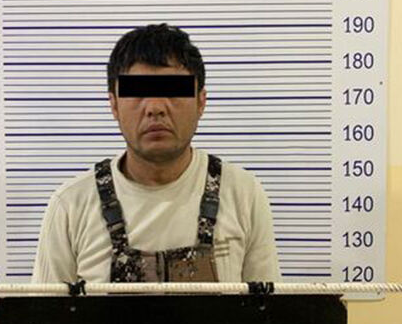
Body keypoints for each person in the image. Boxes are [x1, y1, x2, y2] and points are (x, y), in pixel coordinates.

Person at [32, 23, 280, 283]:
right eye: (138, 93)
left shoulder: (243, 195)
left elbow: (269, 307)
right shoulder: (70, 207)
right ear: (114, 105)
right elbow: (42, 310)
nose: (155, 108)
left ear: (201, 102)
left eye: (173, 91)